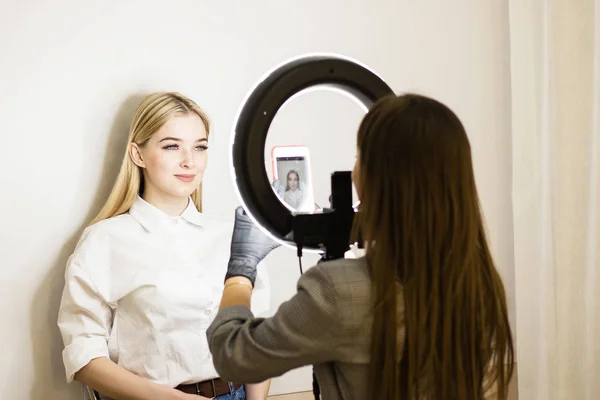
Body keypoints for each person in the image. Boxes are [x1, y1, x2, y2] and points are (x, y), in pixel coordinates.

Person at [206, 93, 515, 399]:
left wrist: (241, 269)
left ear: (374, 177)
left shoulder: (339, 291)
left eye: (359, 158)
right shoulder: (479, 281)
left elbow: (233, 356)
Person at [57, 92, 271, 400]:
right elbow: (84, 356)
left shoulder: (233, 237)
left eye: (200, 147)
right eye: (172, 146)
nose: (189, 161)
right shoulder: (105, 241)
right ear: (138, 155)